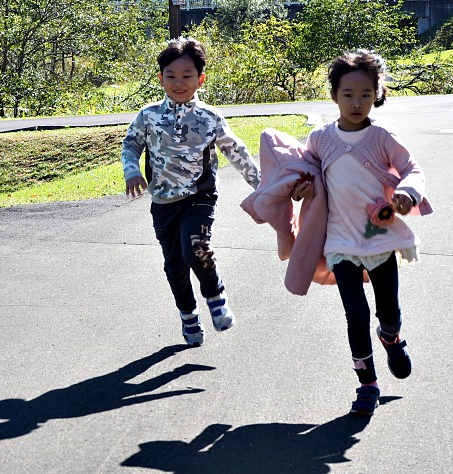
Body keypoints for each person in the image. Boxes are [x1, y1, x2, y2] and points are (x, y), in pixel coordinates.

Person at [292, 49, 433, 416]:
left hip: (379, 238)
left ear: (377, 94)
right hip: (339, 241)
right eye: (348, 95)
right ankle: (367, 383)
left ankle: (391, 337)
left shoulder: (382, 137)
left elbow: (411, 168)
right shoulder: (320, 139)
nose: (357, 103)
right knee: (355, 314)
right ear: (334, 94)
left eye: (366, 95)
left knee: (388, 311)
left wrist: (406, 193)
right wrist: (300, 188)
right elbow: (303, 173)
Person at [121, 37, 261, 346]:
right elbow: (130, 146)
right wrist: (131, 170)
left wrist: (261, 185)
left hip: (199, 196)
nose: (178, 83)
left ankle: (215, 294)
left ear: (200, 79)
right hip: (163, 202)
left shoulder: (209, 117)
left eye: (186, 76)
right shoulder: (149, 116)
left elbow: (235, 150)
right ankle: (188, 315)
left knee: (195, 246)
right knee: (174, 265)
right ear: (160, 79)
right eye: (170, 76)